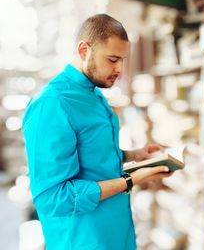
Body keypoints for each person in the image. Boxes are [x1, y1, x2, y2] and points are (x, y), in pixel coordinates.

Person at [22, 14, 172, 250]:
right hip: (82, 240)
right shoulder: (51, 104)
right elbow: (53, 197)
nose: (119, 69)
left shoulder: (95, 93)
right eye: (112, 59)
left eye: (122, 60)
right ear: (84, 50)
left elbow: (89, 155)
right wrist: (130, 181)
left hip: (115, 234)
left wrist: (133, 156)